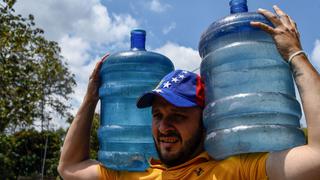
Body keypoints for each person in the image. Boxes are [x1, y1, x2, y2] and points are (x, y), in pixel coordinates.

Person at [58, 6, 320, 180]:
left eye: (178, 116)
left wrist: (295, 56)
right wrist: (91, 99)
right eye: (158, 115)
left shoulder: (234, 170)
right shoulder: (136, 174)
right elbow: (68, 168)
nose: (164, 126)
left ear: (206, 120)